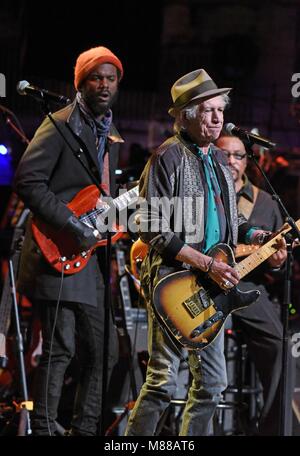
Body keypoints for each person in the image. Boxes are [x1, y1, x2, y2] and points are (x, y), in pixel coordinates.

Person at [124, 69, 286, 436]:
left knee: (212, 383)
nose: (218, 118)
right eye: (208, 110)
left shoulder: (220, 164)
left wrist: (257, 234)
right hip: (174, 282)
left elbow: (233, 224)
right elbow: (151, 228)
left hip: (211, 288)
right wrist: (207, 263)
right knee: (163, 382)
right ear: (186, 115)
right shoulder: (166, 158)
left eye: (220, 110)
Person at [14, 46, 124, 436]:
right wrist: (72, 225)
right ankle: (42, 429)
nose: (105, 85)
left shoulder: (107, 133)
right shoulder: (59, 124)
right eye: (96, 77)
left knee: (104, 350)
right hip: (56, 248)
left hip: (87, 255)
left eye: (111, 78)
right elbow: (28, 180)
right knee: (59, 347)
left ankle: (84, 429)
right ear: (81, 83)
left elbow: (97, 195)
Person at [215, 133, 292, 435]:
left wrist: (277, 261)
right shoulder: (205, 195)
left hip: (248, 290)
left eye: (238, 156)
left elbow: (278, 258)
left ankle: (274, 430)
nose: (232, 162)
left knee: (281, 344)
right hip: (205, 289)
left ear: (248, 161)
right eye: (225, 155)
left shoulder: (267, 202)